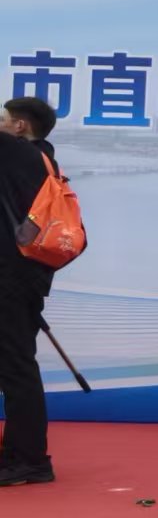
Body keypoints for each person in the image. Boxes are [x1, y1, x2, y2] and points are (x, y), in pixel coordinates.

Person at [0, 100, 57, 487]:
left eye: (4, 120)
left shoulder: (16, 154)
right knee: (15, 365)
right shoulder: (43, 157)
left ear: (19, 126)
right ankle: (20, 453)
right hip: (25, 278)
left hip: (11, 279)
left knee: (16, 366)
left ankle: (30, 459)